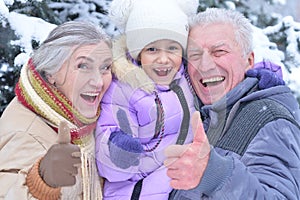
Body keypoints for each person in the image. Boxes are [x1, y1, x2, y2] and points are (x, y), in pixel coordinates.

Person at [164, 8, 300, 199]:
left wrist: (218, 176)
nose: (204, 65)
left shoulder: (269, 120)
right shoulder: (192, 113)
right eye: (194, 55)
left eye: (219, 51)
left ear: (249, 61)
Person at [95, 0, 199, 199]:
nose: (163, 58)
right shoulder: (125, 89)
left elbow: (221, 77)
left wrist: (256, 79)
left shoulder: (186, 77)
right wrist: (119, 151)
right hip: (136, 191)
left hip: (179, 184)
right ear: (138, 53)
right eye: (152, 49)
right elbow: (109, 160)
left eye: (172, 48)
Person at [0, 21, 113, 199]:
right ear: (51, 72)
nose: (98, 82)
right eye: (83, 66)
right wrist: (42, 183)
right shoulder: (27, 134)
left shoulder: (82, 117)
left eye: (105, 67)